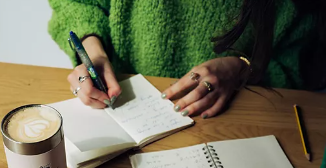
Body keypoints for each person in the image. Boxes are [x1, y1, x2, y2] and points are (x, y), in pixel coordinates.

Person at [48, 0, 326, 119]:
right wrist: (93, 52)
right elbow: (76, 4)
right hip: (120, 105)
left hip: (234, 115)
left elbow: (301, 57)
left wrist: (242, 67)